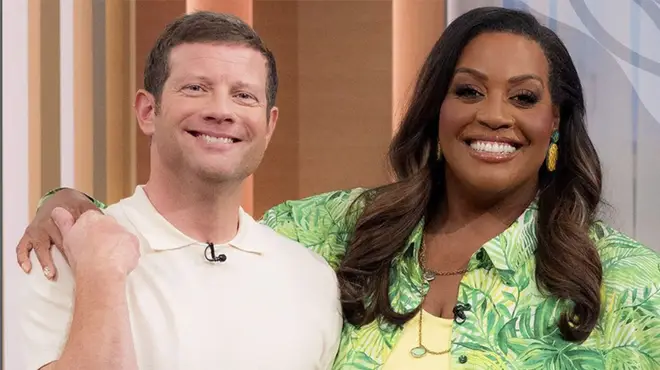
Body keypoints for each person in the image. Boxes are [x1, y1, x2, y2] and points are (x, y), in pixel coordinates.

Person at [18, 6, 660, 370]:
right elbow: (193, 217)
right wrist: (69, 204)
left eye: (524, 98)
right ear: (435, 113)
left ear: (555, 127)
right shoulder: (337, 231)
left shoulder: (633, 286)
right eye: (467, 92)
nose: (493, 114)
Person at [18, 11, 342, 370]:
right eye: (196, 88)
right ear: (147, 111)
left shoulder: (312, 278)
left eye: (244, 96)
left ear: (269, 125)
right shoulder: (59, 254)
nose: (221, 111)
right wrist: (101, 275)